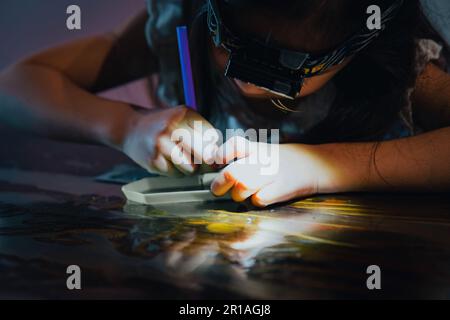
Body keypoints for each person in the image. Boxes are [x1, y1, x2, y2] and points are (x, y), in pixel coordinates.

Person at [0, 0, 449, 207]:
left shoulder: (405, 70)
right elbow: (14, 86)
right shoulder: (182, 20)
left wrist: (322, 167)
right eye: (230, 45)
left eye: (284, 69)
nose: (246, 81)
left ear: (358, 44)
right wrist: (123, 127)